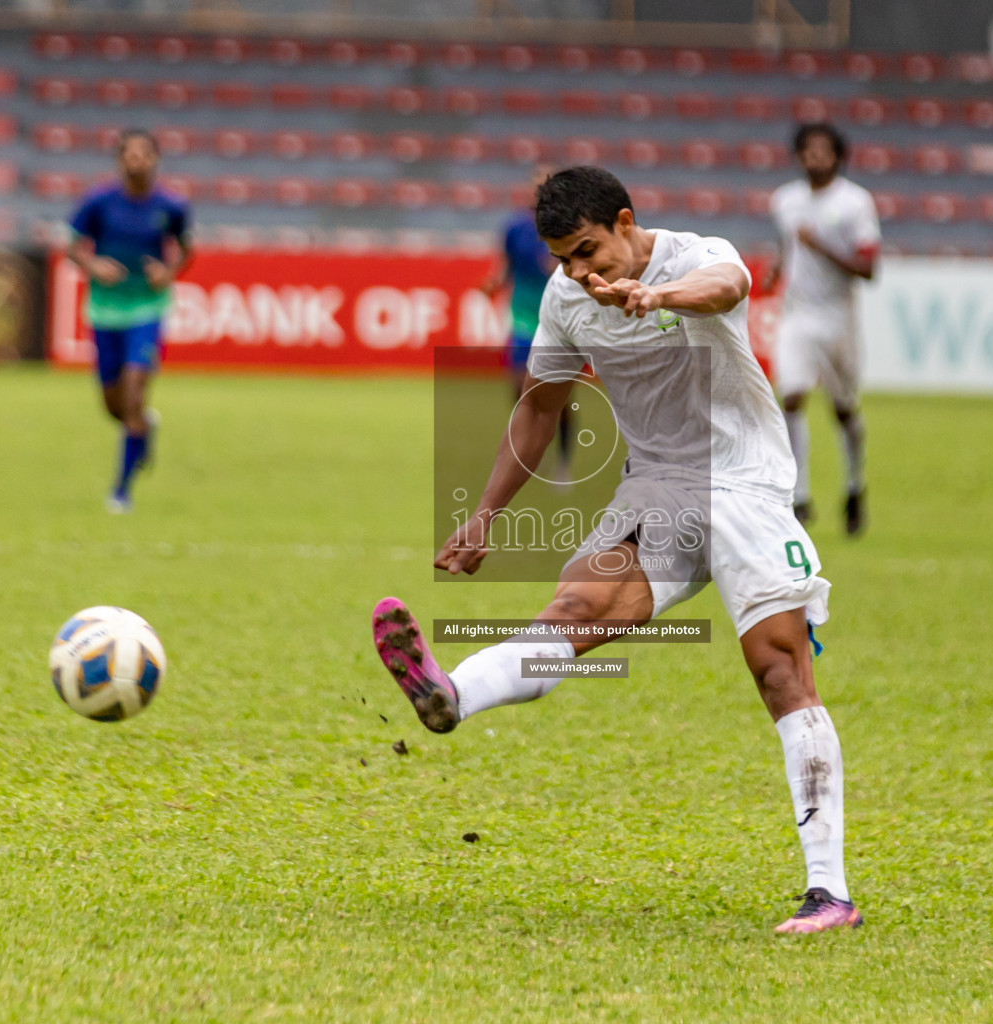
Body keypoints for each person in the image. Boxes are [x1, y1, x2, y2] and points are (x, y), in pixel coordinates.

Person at [373, 166, 862, 934]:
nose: (577, 272)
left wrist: (656, 296)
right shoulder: (570, 301)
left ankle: (829, 893)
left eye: (589, 250)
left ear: (627, 222)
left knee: (778, 671)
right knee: (574, 606)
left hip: (743, 485)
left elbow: (729, 289)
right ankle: (451, 696)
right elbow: (539, 410)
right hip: (657, 491)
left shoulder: (696, 256)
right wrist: (487, 515)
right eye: (563, 259)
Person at [66, 129, 192, 514]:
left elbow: (186, 250)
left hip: (146, 310)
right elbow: (72, 247)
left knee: (135, 394)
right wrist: (94, 264)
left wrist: (168, 273)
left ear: (156, 159)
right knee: (114, 406)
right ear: (119, 160)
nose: (137, 160)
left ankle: (121, 491)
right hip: (104, 311)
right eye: (130, 154)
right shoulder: (98, 202)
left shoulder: (171, 206)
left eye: (144, 153)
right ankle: (143, 429)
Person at [764, 123, 880, 535]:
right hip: (796, 314)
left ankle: (854, 486)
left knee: (844, 408)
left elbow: (869, 268)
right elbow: (787, 245)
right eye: (807, 150)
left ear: (838, 155)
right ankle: (799, 498)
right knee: (791, 398)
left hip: (838, 317)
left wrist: (822, 248)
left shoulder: (854, 203)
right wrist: (779, 267)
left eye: (822, 150)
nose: (814, 157)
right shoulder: (785, 200)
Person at [479, 166, 573, 481]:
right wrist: (494, 282)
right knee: (519, 388)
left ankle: (562, 460)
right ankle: (525, 451)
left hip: (557, 318)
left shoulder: (568, 229)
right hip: (522, 315)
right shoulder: (516, 228)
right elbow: (505, 265)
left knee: (558, 395)